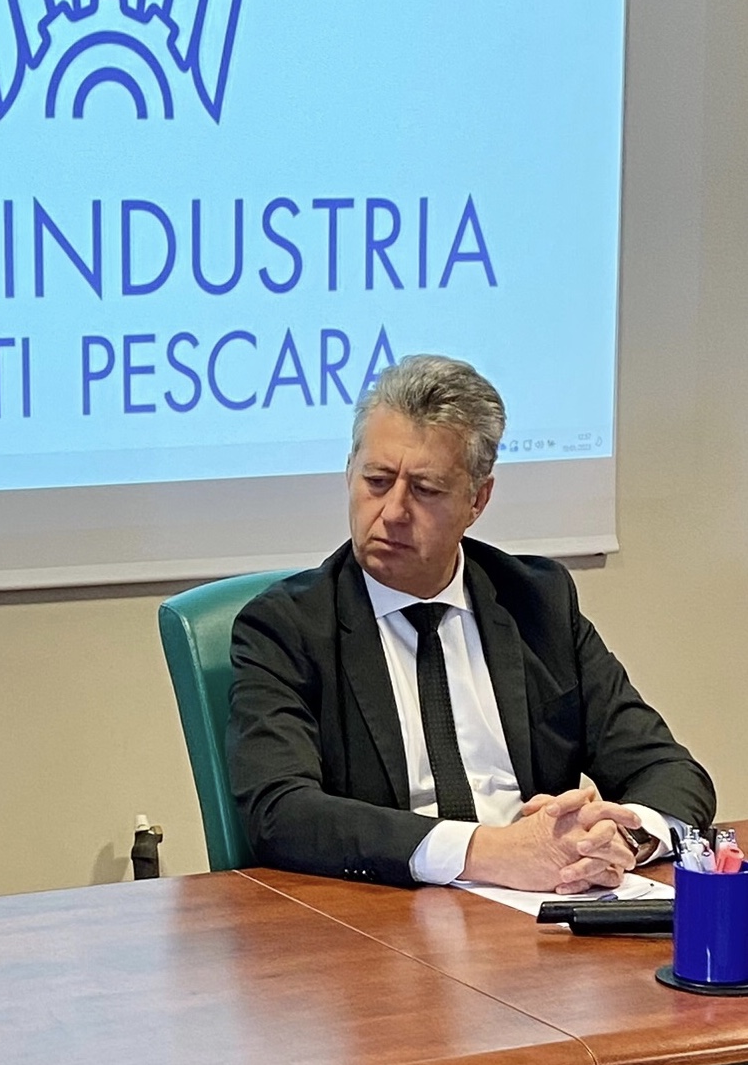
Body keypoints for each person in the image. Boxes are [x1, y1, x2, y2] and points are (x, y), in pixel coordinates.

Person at [228, 354, 714, 893]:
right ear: (349, 473)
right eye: (377, 480)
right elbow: (281, 811)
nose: (393, 511)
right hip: (389, 907)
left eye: (426, 489)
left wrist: (622, 837)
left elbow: (669, 771)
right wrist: (487, 852)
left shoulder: (537, 603)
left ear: (477, 500)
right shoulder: (288, 626)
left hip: (542, 903)